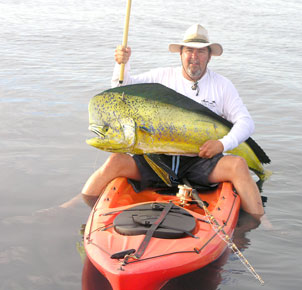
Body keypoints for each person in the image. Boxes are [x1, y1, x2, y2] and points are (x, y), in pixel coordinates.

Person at [81, 24, 264, 217]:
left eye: (201, 51)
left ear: (209, 56)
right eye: (189, 50)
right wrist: (121, 63)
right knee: (115, 161)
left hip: (200, 162)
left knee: (238, 166)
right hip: (156, 161)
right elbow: (123, 89)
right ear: (181, 54)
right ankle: (82, 209)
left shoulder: (222, 86)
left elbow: (246, 122)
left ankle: (261, 221)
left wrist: (222, 144)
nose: (194, 56)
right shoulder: (161, 77)